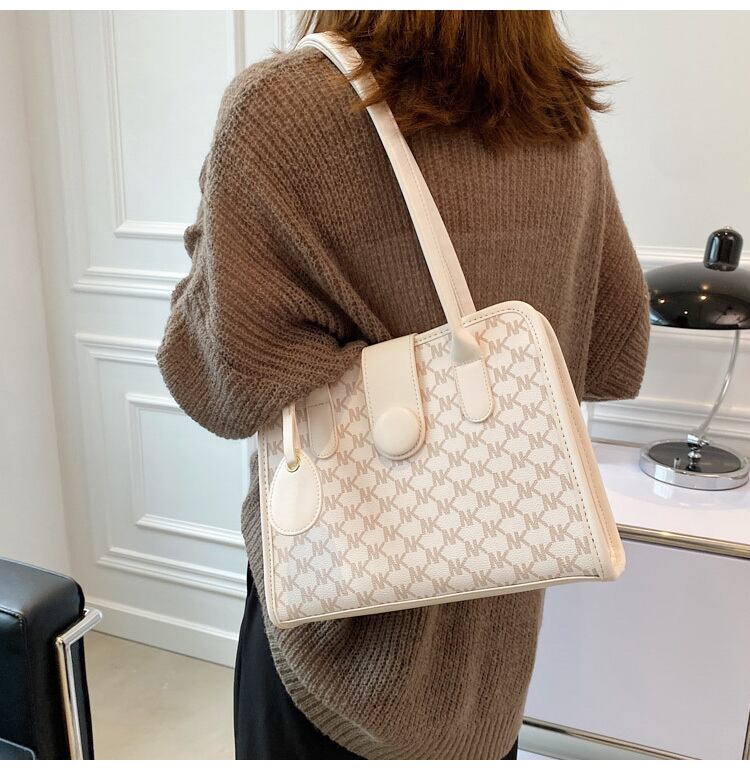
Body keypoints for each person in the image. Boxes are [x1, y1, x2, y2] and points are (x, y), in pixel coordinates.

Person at [157, 10, 650, 760]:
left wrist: (215, 231)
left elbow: (217, 378)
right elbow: (615, 349)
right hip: (494, 646)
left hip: (331, 640)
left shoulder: (282, 110)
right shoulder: (560, 119)